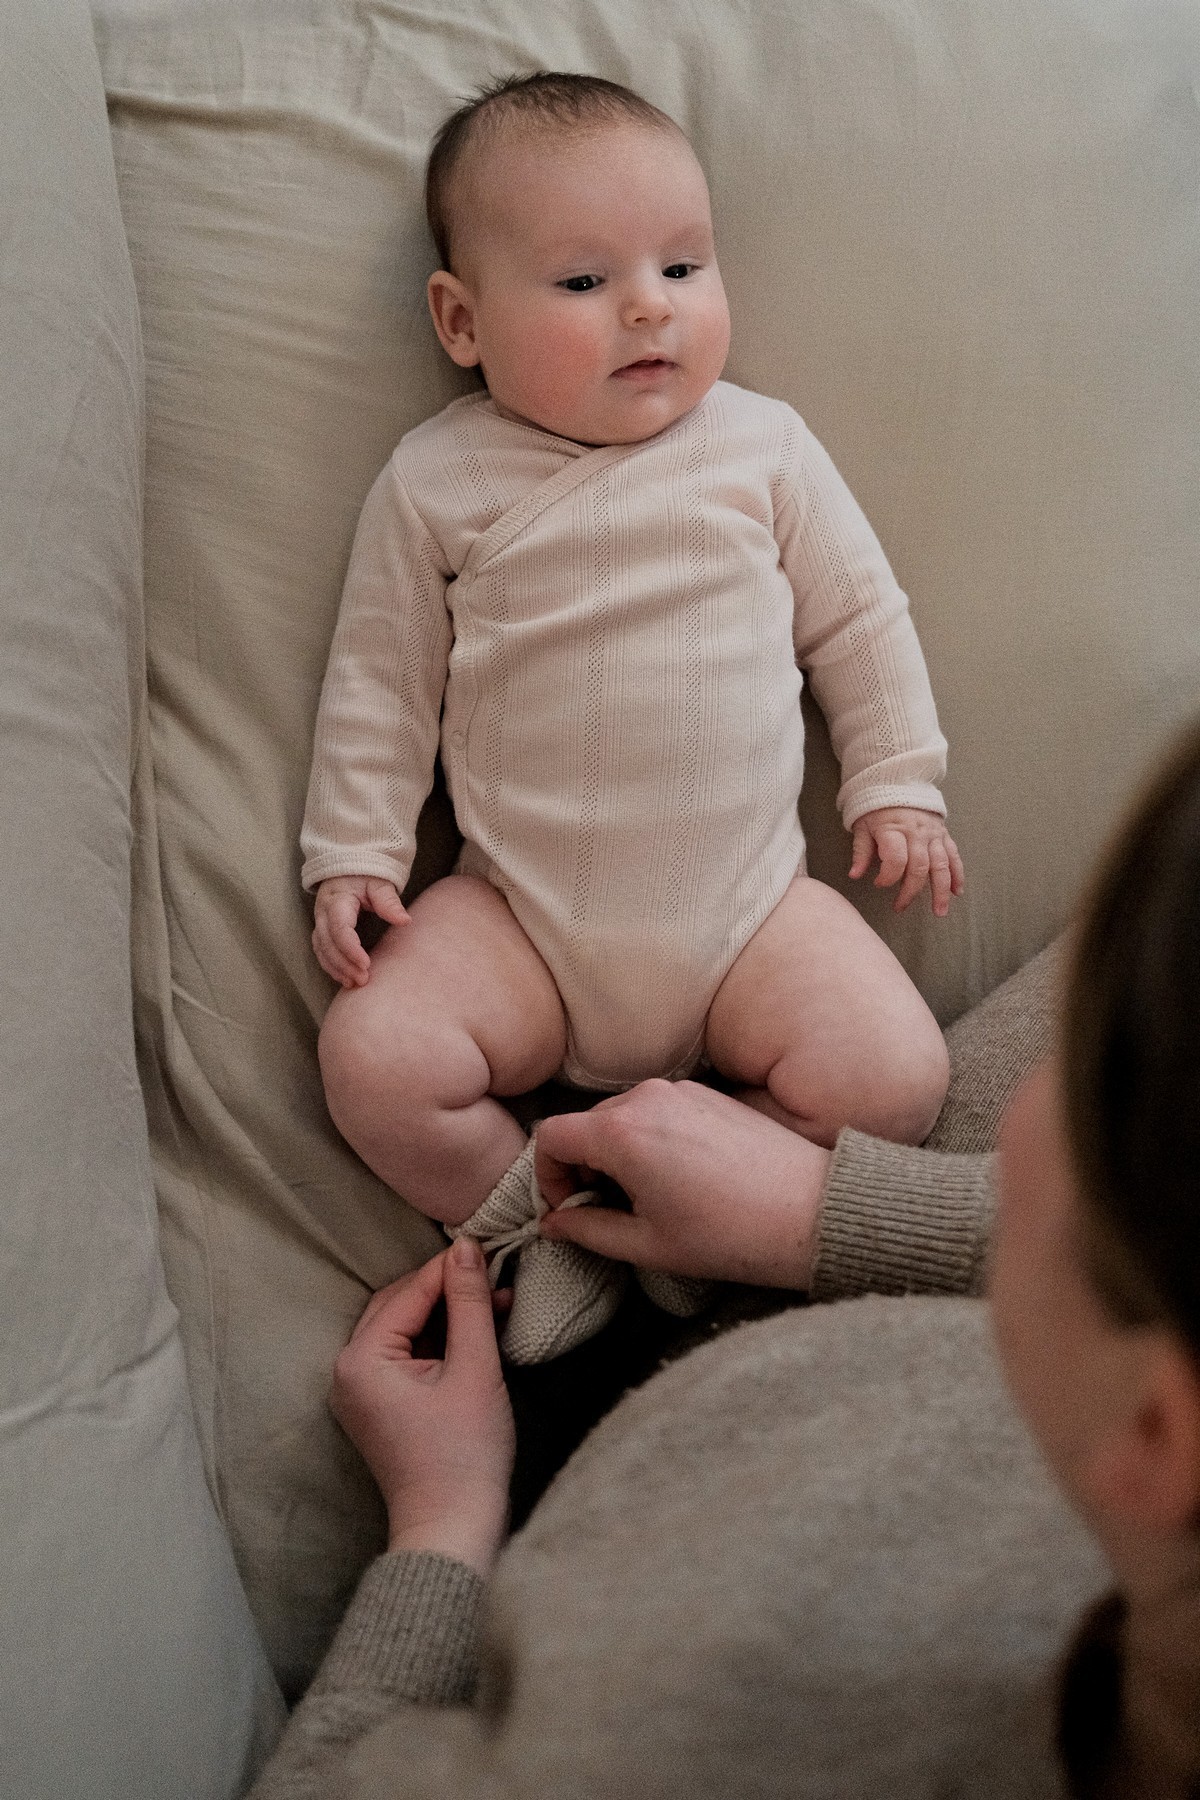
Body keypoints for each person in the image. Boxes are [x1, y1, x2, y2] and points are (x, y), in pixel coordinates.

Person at [252, 722, 1200, 1799]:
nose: (1042, 1104)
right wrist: (831, 1213)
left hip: (553, 1430)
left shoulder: (685, 1728)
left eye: (1079, 1096)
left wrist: (441, 1530)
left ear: (1155, 1435)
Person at [299, 72, 963, 1362]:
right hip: (521, 920)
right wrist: (356, 851)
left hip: (749, 914)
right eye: (583, 281)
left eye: (683, 265)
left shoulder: (761, 446)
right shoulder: (437, 481)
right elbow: (379, 681)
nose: (651, 304)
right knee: (375, 1059)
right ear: (461, 321)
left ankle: (699, 1209)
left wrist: (897, 778)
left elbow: (859, 619)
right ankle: (543, 1222)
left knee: (897, 1079)